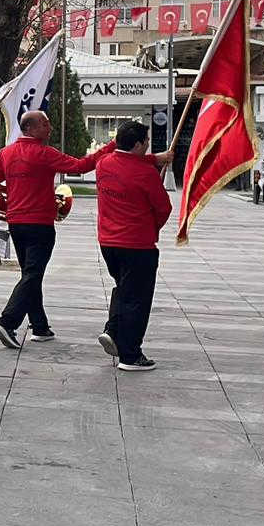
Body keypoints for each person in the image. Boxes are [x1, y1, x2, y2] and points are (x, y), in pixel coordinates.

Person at [0, 111, 137, 349]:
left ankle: (40, 326)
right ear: (30, 129)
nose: (50, 128)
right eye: (45, 124)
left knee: (30, 274)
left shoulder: (6, 153)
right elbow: (82, 165)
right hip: (40, 224)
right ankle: (7, 322)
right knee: (32, 275)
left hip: (16, 223)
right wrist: (112, 145)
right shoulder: (45, 153)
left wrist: (7, 204)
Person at [94, 120, 171, 372]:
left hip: (108, 242)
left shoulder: (103, 164)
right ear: (137, 144)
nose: (148, 145)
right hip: (137, 244)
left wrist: (155, 160)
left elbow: (127, 162)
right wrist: (150, 227)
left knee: (124, 289)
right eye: (146, 141)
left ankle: (113, 330)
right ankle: (130, 354)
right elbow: (163, 208)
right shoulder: (145, 174)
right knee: (137, 299)